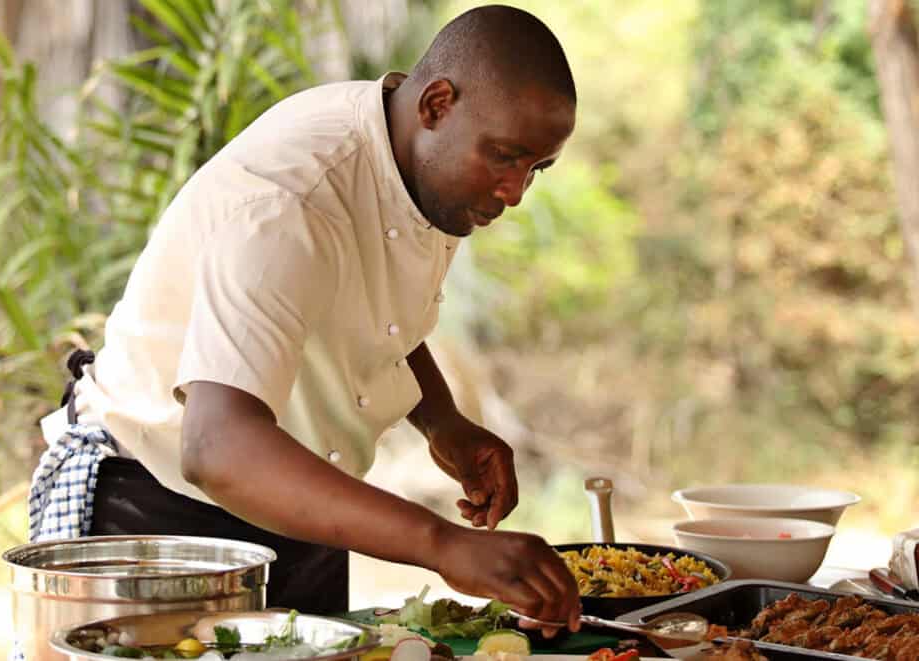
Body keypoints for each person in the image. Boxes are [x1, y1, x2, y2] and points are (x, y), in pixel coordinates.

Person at [30, 2, 581, 632]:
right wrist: (443, 544)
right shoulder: (291, 198)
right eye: (506, 157)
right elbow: (217, 449)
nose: (514, 192)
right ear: (436, 105)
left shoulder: (422, 162)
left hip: (307, 506)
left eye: (536, 169)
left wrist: (442, 421)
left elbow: (372, 307)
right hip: (165, 518)